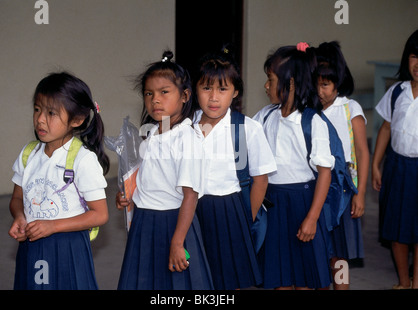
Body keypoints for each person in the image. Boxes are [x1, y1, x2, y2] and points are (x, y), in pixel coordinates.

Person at [116, 51, 213, 290]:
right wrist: (129, 196)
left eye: (164, 92)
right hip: (144, 221)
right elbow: (150, 176)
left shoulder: (187, 139)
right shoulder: (151, 133)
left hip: (174, 223)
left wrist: (178, 242)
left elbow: (190, 195)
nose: (155, 100)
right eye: (149, 93)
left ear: (184, 96)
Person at [8, 71, 110, 290]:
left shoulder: (83, 160)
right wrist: (19, 216)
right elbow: (17, 198)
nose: (40, 119)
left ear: (77, 120)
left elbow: (100, 214)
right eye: (37, 109)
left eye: (51, 113)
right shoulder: (28, 155)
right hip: (32, 244)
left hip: (69, 248)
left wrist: (53, 226)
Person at [192, 45, 277, 290]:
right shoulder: (186, 126)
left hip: (230, 210)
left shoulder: (246, 128)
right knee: (196, 275)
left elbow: (260, 180)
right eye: (206, 87)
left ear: (236, 92)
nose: (214, 97)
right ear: (194, 90)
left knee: (230, 279)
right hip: (192, 209)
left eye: (222, 89)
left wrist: (245, 220)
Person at [253, 43, 334, 290]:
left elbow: (324, 174)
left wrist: (312, 218)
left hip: (303, 204)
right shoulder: (266, 116)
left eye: (271, 79)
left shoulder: (312, 122)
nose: (266, 85)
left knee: (304, 278)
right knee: (279, 277)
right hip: (273, 205)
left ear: (289, 83)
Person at [314, 41, 369, 289]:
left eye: (325, 85)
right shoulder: (310, 111)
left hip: (344, 188)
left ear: (338, 82)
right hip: (316, 185)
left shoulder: (350, 108)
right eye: (316, 84)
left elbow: (362, 152)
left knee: (340, 253)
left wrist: (360, 194)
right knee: (319, 250)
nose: (320, 91)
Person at [372, 29, 418, 290]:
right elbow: (386, 128)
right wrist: (377, 165)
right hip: (397, 167)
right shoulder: (397, 92)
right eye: (414, 56)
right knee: (396, 226)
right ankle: (403, 281)